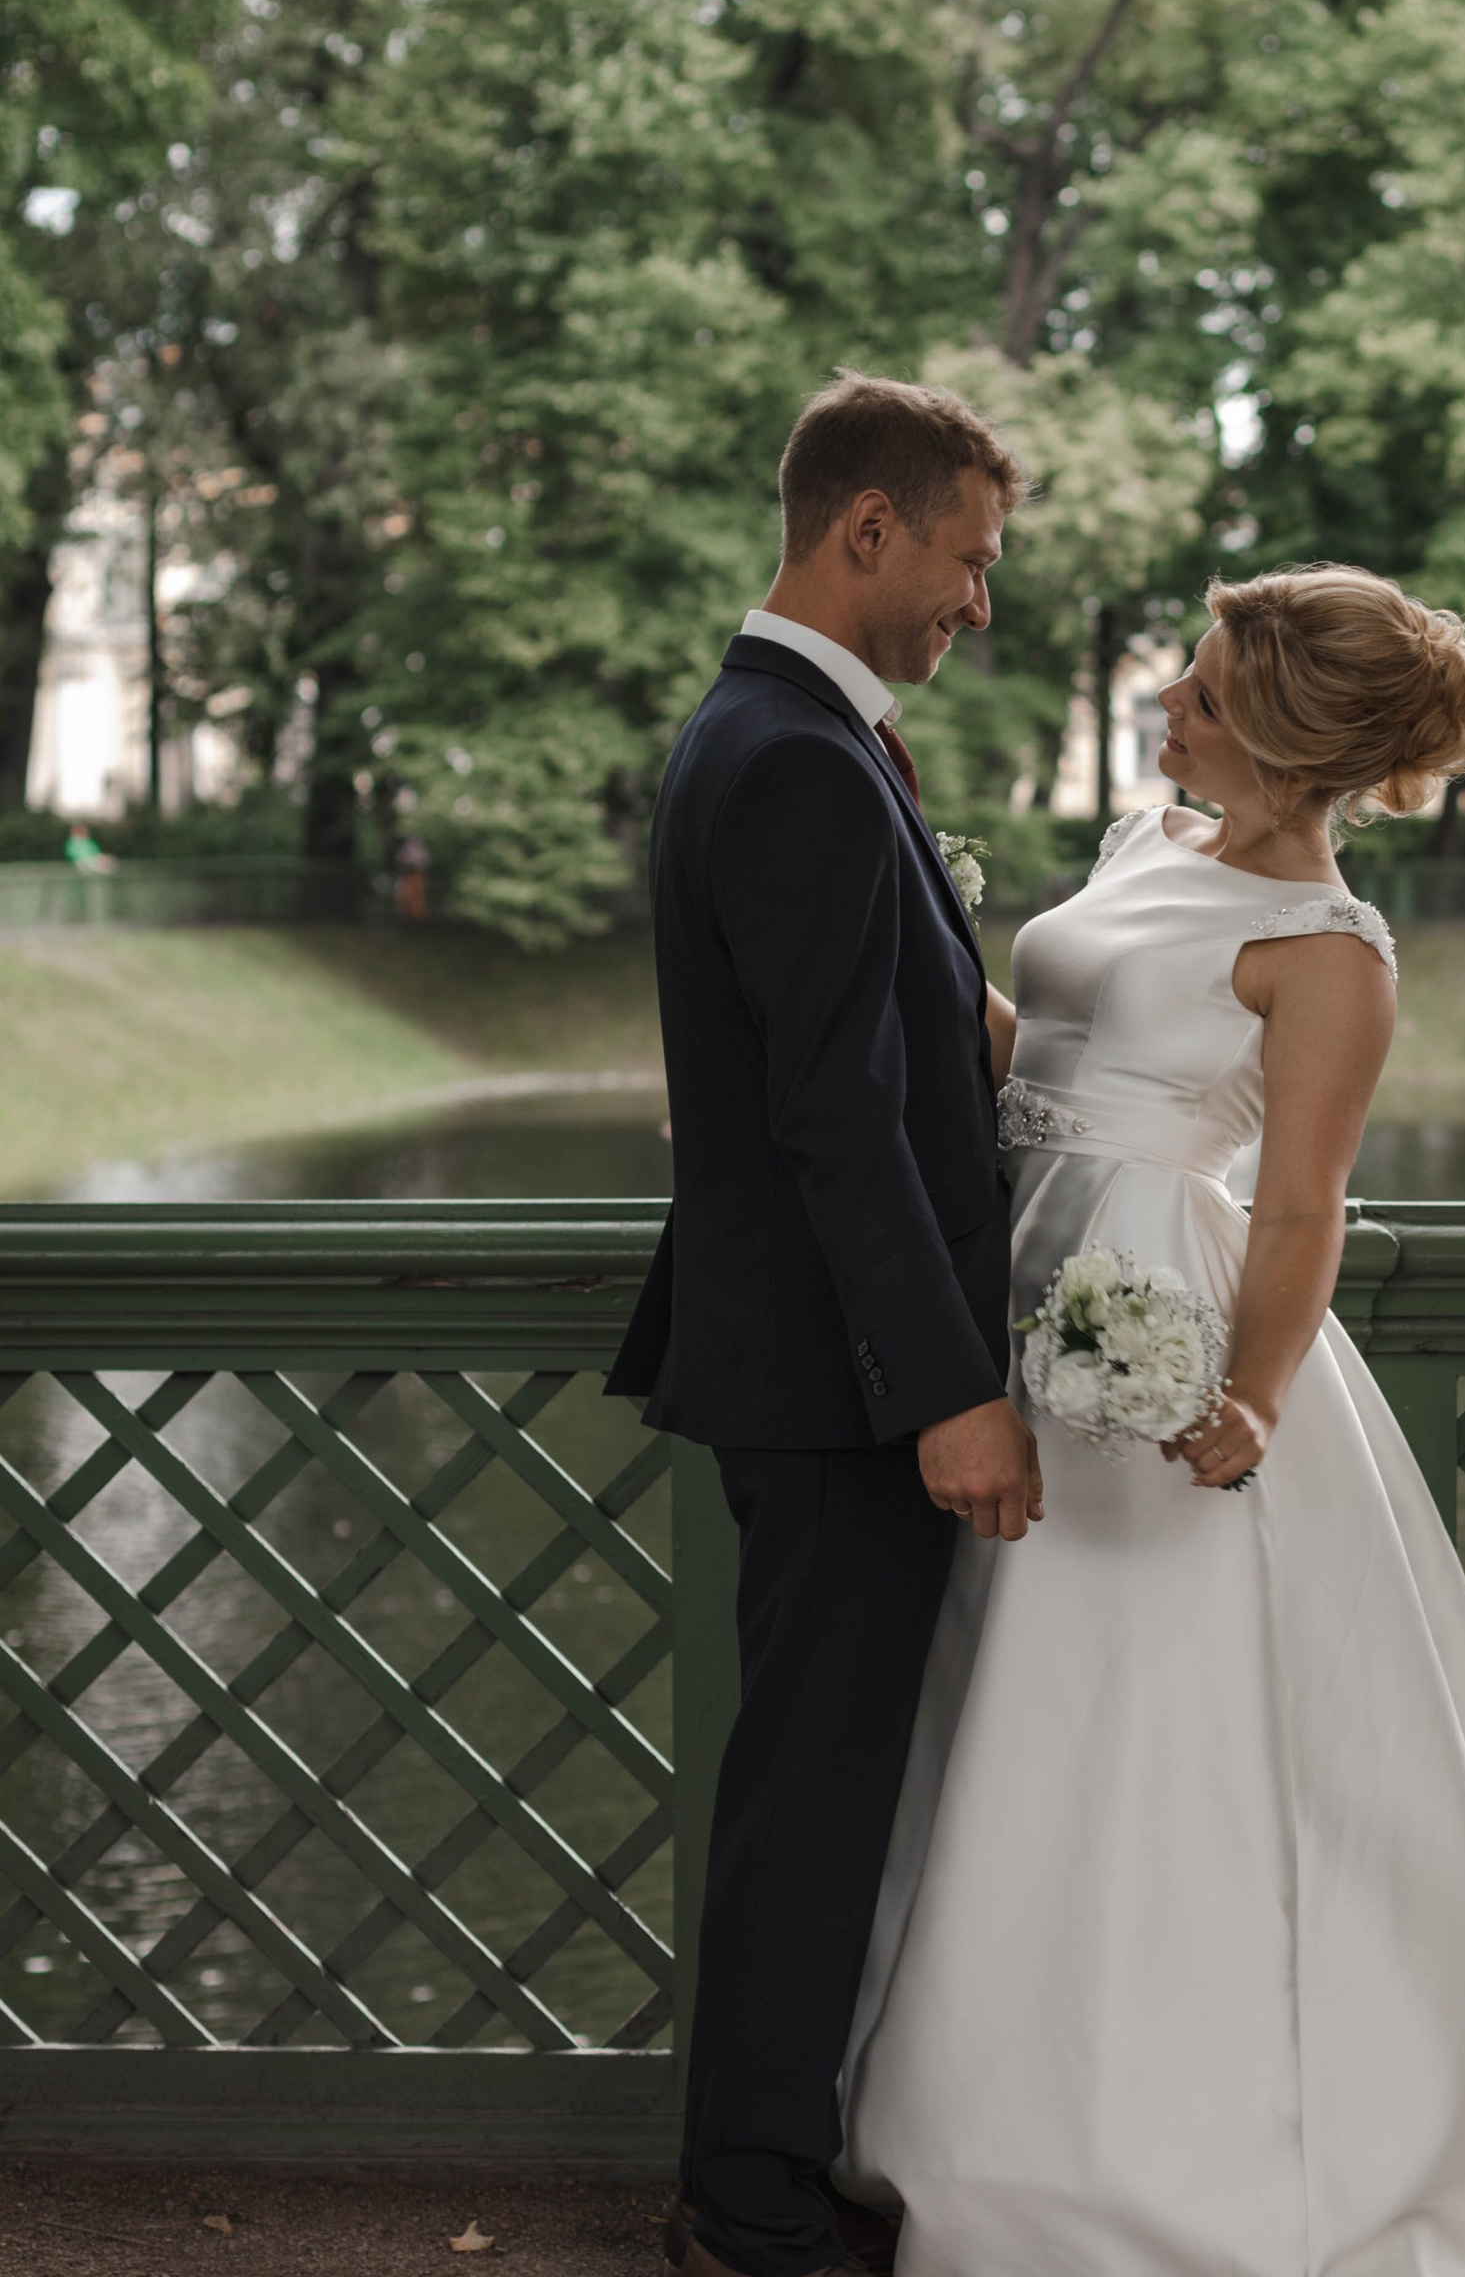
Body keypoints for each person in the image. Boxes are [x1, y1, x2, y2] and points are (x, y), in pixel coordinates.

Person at [840, 566, 1465, 2277]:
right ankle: (976, 2109)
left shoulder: (1327, 954)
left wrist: (1251, 1397)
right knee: (991, 1704)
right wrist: (922, 947)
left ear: (1287, 750)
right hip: (1017, 1267)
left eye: (1203, 695)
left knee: (1142, 1724)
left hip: (1148, 1321)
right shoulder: (1154, 848)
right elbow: (1036, 1066)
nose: (1169, 705)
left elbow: (1300, 1213)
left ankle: (1169, 2150)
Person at [606, 370, 1042, 2277]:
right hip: (846, 1381)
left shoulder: (790, 732)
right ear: (869, 529)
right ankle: (750, 2209)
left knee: (827, 1777)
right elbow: (832, 1123)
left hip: (830, 1366)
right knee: (808, 1796)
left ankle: (780, 2171)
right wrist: (948, 1387)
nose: (977, 600)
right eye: (968, 555)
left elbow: (886, 1052)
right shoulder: (789, 754)